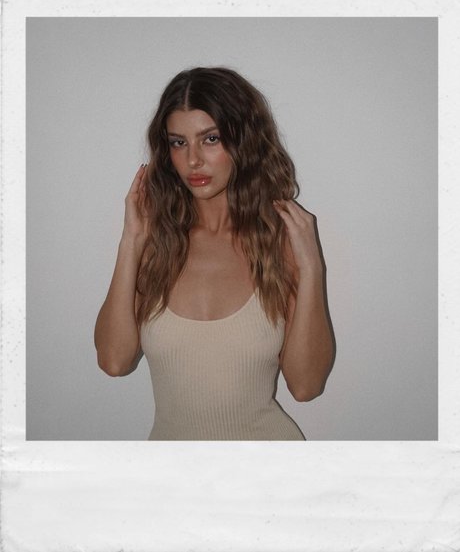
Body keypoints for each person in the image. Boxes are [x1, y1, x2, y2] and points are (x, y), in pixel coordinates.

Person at [94, 67, 335, 440]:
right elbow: (114, 361)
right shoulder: (157, 248)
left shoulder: (278, 247)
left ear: (243, 142)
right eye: (178, 143)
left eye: (210, 139)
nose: (193, 160)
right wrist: (131, 241)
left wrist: (312, 267)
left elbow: (306, 386)